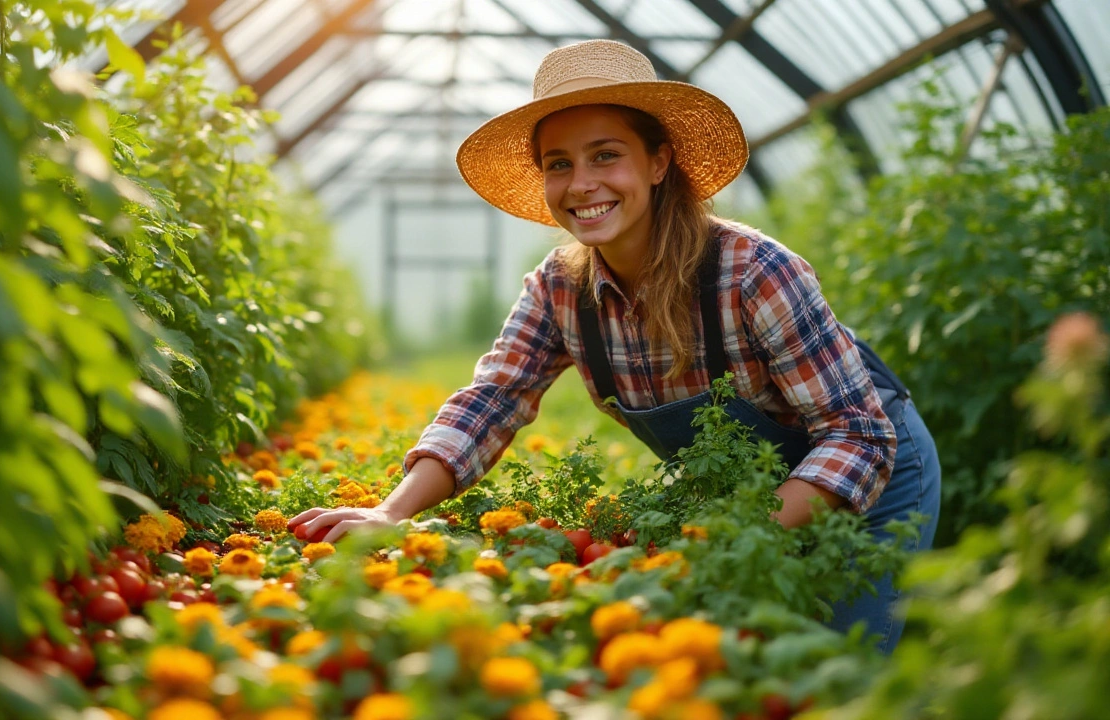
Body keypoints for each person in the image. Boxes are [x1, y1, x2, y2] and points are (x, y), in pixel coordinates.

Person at [290, 39, 941, 654]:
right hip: (747, 499)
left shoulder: (752, 272)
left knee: (835, 668)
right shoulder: (559, 289)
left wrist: (740, 536)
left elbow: (858, 435)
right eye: (559, 164)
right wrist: (390, 511)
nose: (582, 184)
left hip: (876, 479)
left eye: (606, 155)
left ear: (658, 162)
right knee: (736, 665)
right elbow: (492, 400)